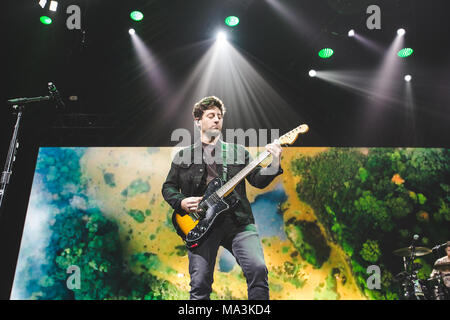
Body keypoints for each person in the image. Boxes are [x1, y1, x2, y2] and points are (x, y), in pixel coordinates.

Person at [161, 96, 283, 300]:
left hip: (238, 221)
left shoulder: (238, 152)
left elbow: (258, 180)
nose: (217, 119)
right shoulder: (183, 155)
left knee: (258, 270)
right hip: (200, 225)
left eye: (219, 116)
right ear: (198, 121)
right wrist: (181, 201)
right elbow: (168, 187)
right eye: (211, 116)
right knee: (199, 284)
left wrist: (275, 160)